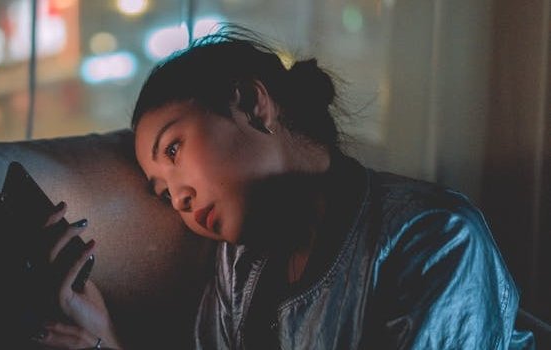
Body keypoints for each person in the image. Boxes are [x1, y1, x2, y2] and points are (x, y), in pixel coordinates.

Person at [35, 25, 534, 349]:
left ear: (253, 104)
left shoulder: (435, 237)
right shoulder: (238, 269)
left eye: (174, 150)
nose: (179, 199)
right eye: (163, 193)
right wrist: (106, 339)